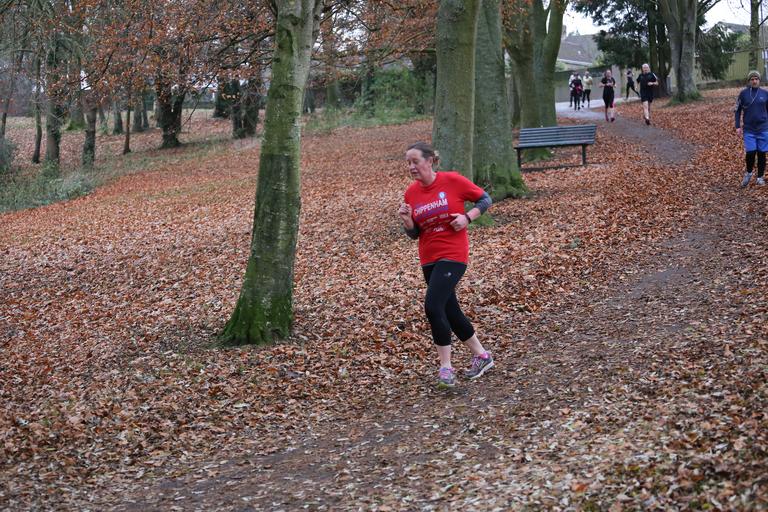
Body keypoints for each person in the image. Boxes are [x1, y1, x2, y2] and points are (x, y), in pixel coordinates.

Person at [398, 142, 494, 388]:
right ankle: (482, 356)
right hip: (428, 258)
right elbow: (415, 234)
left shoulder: (452, 181)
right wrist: (408, 221)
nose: (411, 167)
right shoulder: (411, 193)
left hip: (453, 254)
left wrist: (467, 217)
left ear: (430, 161)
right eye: (408, 163)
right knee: (450, 310)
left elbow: (485, 199)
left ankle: (446, 368)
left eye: (415, 161)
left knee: (433, 306)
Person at [735, 70, 768, 187]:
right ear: (749, 81)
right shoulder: (743, 94)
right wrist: (737, 126)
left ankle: (760, 177)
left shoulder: (765, 94)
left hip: (763, 128)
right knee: (751, 152)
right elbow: (737, 110)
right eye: (752, 79)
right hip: (749, 129)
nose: (754, 81)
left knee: (761, 153)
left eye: (756, 79)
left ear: (759, 80)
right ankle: (749, 173)